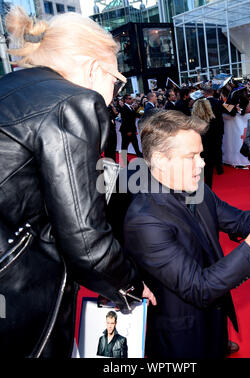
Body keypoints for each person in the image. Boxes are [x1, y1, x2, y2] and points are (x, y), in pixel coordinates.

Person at [0, 6, 155, 358]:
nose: (115, 92)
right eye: (118, 80)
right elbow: (86, 241)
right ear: (93, 67)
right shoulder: (73, 102)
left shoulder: (8, 89)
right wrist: (131, 285)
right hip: (18, 294)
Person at [124, 110, 250, 358]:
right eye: (191, 156)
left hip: (215, 316)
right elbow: (199, 288)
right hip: (182, 337)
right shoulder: (144, 220)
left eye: (200, 154)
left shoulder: (196, 189)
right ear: (160, 160)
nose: (202, 163)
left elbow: (239, 221)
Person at [192, 98, 216, 188]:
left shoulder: (192, 123)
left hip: (196, 152)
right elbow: (216, 138)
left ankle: (198, 195)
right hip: (209, 152)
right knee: (208, 174)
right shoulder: (213, 122)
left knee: (197, 175)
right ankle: (208, 194)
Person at [119, 94, 143, 164]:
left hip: (132, 130)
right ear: (126, 100)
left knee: (136, 146)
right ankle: (124, 161)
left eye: (131, 98)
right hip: (126, 131)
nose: (131, 100)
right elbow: (125, 120)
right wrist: (128, 131)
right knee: (124, 147)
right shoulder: (124, 108)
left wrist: (142, 111)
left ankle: (141, 159)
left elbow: (136, 115)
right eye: (129, 98)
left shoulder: (131, 107)